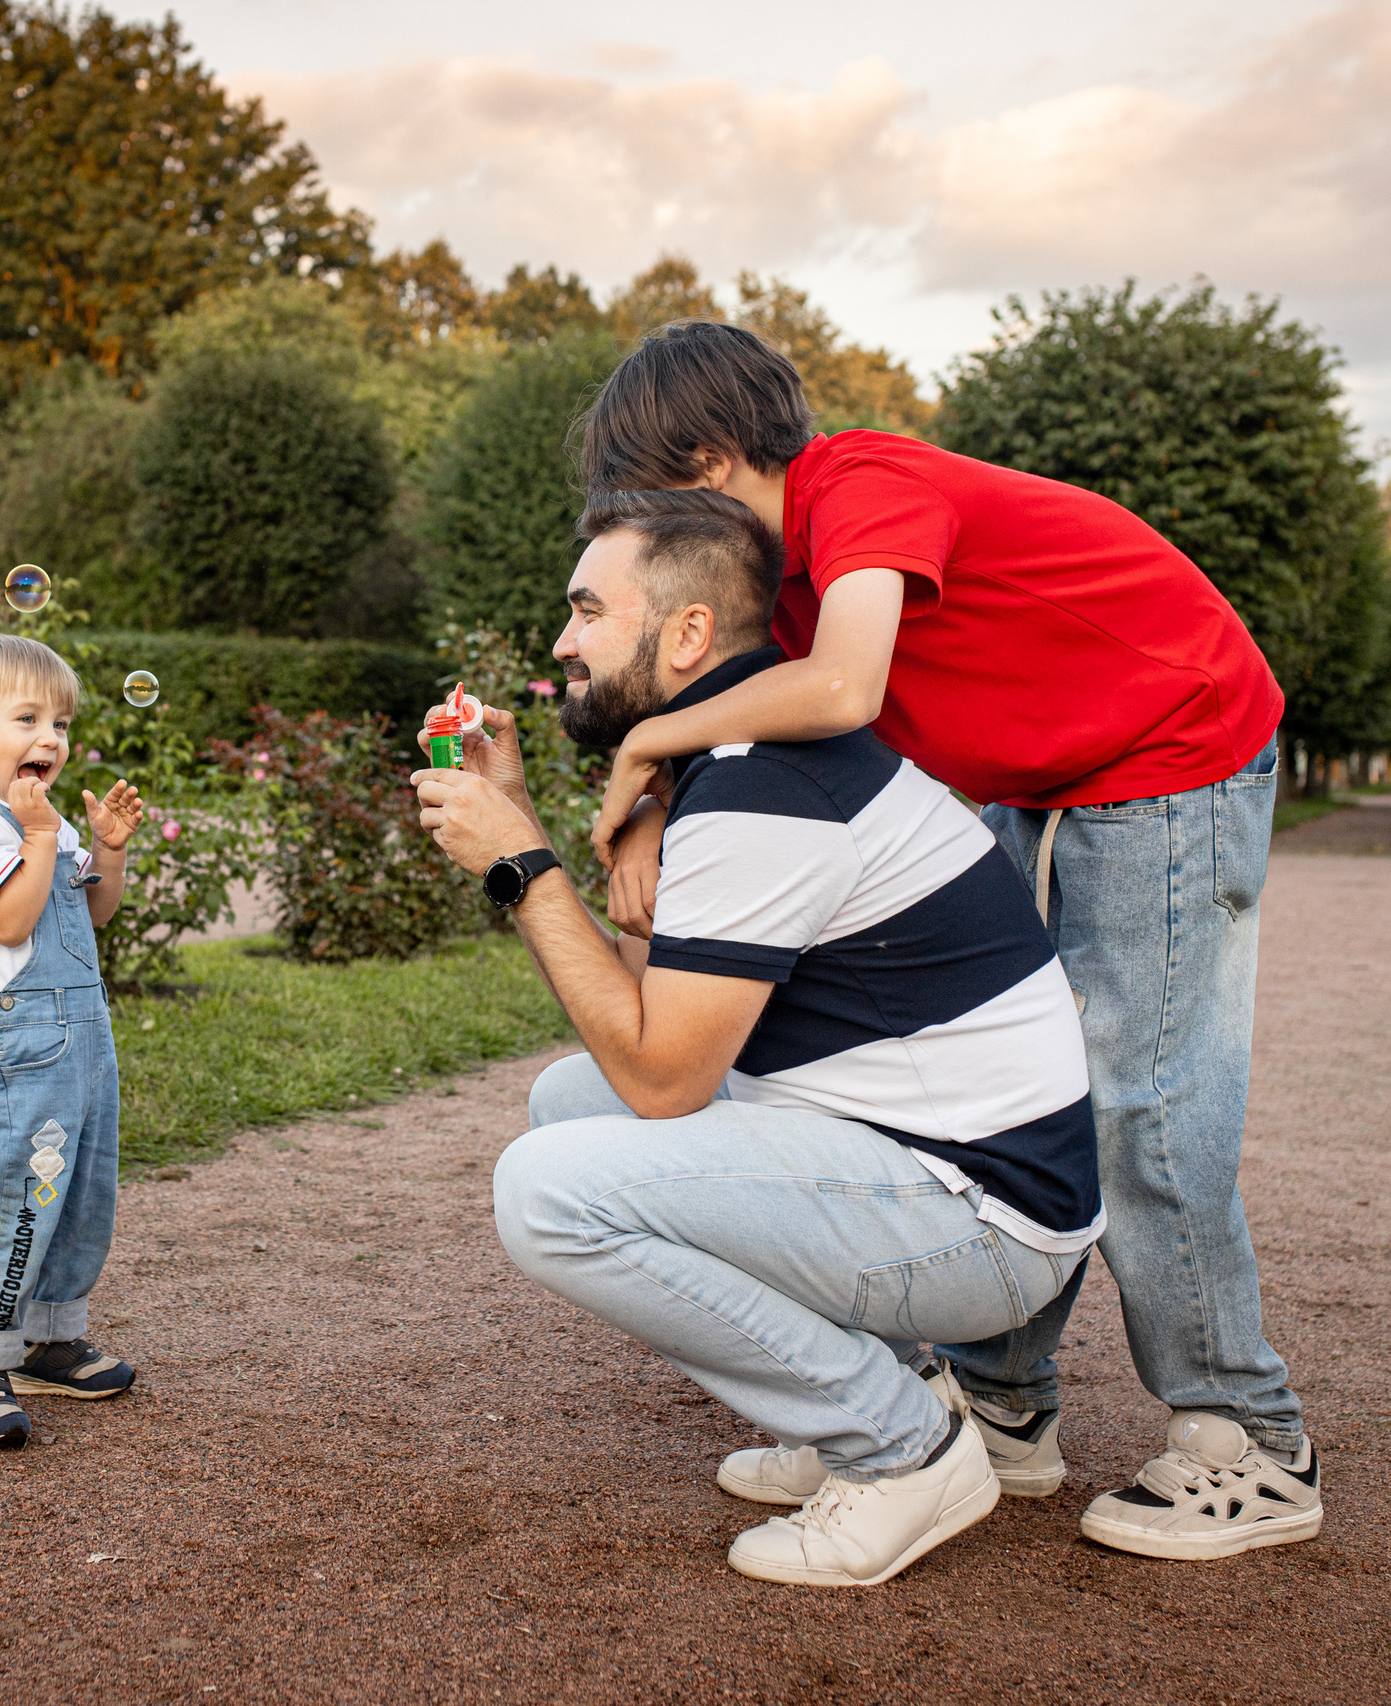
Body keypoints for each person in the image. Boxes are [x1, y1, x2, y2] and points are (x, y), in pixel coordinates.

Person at [576, 320, 1319, 1563]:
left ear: (707, 459)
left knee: (1142, 1102)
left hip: (1170, 750)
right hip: (1045, 775)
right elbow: (750, 707)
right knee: (1029, 1081)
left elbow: (844, 689)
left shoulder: (858, 487)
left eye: (647, 494)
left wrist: (645, 747)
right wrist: (658, 795)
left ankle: (1248, 1435)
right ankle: (1003, 1406)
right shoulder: (787, 573)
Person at [412, 488, 1104, 1587]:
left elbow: (664, 1076)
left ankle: (903, 1446)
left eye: (588, 610)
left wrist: (518, 866)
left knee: (547, 1188)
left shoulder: (759, 787)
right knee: (564, 1104)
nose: (562, 640)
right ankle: (886, 1398)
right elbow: (660, 1022)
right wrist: (538, 829)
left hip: (983, 1222)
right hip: (937, 1164)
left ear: (688, 633)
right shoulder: (739, 764)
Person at [0, 634, 147, 1448]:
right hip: (2, 1053)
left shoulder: (34, 817)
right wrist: (43, 838)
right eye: (27, 717)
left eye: (60, 721)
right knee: (16, 1193)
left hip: (78, 1046)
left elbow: (92, 911)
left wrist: (108, 851)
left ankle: (46, 1337)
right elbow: (11, 919)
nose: (51, 737)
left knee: (81, 1189)